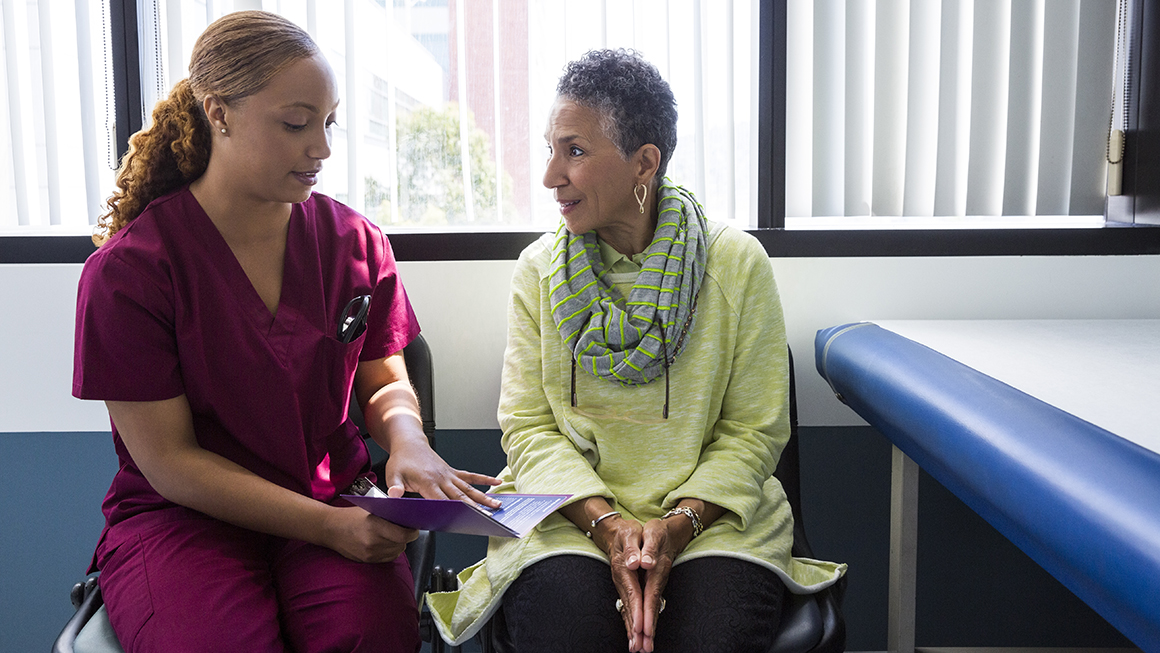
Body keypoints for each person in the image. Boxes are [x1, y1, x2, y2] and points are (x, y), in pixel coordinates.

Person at [72, 11, 498, 653]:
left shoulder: (353, 242)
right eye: (296, 124)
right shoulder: (131, 272)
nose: (322, 148)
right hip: (185, 520)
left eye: (329, 123)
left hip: (336, 498)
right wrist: (326, 528)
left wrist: (409, 442)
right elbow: (171, 463)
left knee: (366, 639)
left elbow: (384, 377)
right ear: (218, 113)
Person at [426, 49, 845, 652]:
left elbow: (753, 432)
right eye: (550, 148)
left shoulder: (736, 265)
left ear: (643, 163)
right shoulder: (537, 272)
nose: (549, 176)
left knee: (708, 636)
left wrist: (677, 526)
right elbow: (528, 428)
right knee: (566, 629)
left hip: (712, 523)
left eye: (574, 150)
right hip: (567, 520)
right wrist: (606, 523)